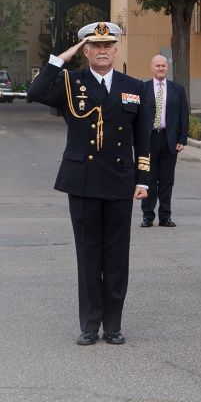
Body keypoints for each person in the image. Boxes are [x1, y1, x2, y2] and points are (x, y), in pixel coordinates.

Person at [26, 22, 151, 345]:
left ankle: (113, 325)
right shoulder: (71, 82)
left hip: (120, 181)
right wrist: (62, 58)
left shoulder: (134, 86)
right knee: (88, 256)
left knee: (117, 258)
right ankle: (89, 324)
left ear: (116, 50)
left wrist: (144, 180)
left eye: (108, 46)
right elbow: (35, 92)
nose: (102, 51)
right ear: (86, 51)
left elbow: (143, 138)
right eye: (95, 46)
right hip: (83, 181)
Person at [140, 55, 189, 228]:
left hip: (169, 140)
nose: (161, 68)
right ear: (151, 67)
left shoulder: (178, 90)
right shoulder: (143, 89)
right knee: (149, 179)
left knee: (167, 180)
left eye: (163, 66)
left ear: (167, 68)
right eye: (158, 66)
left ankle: (165, 217)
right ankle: (147, 216)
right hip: (149, 140)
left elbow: (184, 115)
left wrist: (182, 139)